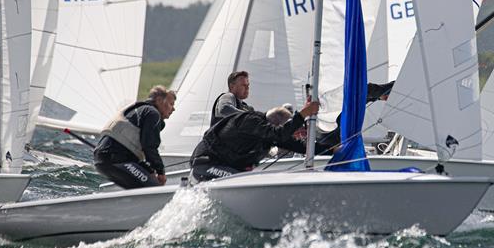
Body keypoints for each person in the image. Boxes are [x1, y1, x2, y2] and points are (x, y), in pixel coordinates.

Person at [190, 99, 320, 182]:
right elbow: (280, 134)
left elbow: (300, 147)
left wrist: (334, 149)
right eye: (284, 127)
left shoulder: (269, 134)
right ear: (275, 124)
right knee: (242, 179)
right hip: (206, 165)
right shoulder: (250, 121)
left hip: (225, 169)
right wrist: (302, 114)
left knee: (244, 178)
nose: (287, 132)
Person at [93, 85, 176, 189]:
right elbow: (149, 146)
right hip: (117, 160)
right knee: (153, 189)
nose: (173, 109)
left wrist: (150, 171)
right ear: (159, 100)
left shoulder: (140, 111)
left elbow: (131, 154)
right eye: (171, 104)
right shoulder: (152, 113)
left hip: (103, 160)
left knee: (148, 180)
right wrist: (160, 172)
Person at [317, 81, 395, 154]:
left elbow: (364, 92)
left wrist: (380, 96)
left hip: (329, 143)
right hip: (331, 145)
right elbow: (365, 91)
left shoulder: (327, 107)